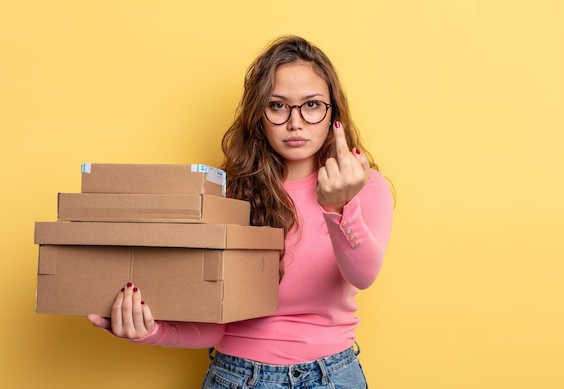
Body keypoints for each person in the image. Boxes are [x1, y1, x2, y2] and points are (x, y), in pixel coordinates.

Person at [88, 35, 394, 388]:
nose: (296, 122)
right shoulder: (227, 195)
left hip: (333, 377)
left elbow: (364, 275)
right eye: (277, 106)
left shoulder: (366, 187)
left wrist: (340, 206)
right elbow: (218, 323)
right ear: (258, 116)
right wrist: (150, 331)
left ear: (333, 114)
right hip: (238, 377)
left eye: (312, 105)